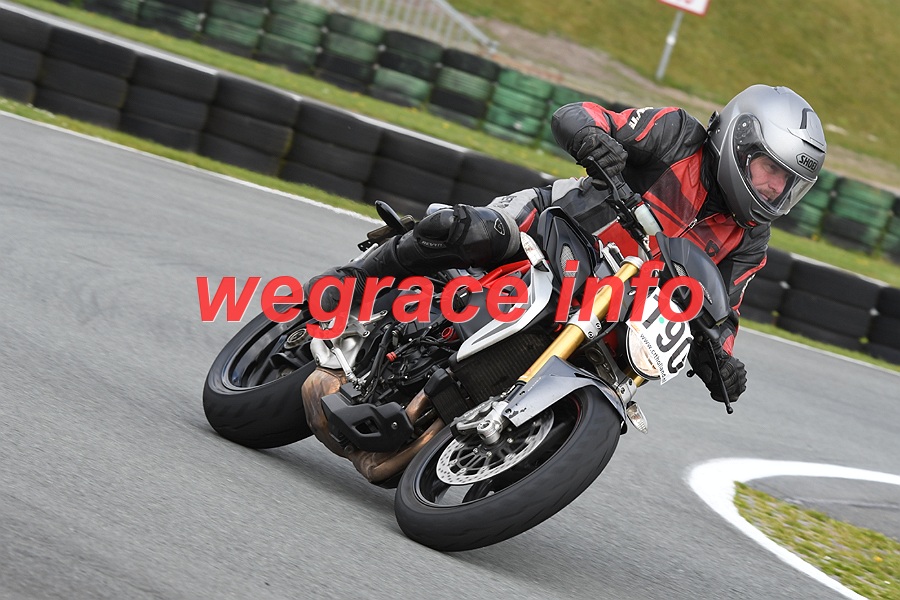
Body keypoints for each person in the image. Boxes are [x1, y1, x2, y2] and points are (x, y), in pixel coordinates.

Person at [309, 84, 827, 405]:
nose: (773, 189)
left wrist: (722, 361)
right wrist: (591, 139)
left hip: (614, 308)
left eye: (787, 183)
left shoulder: (751, 239)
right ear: (739, 140)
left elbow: (722, 312)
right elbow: (582, 114)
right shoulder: (676, 136)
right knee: (463, 230)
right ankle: (353, 282)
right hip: (552, 230)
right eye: (768, 170)